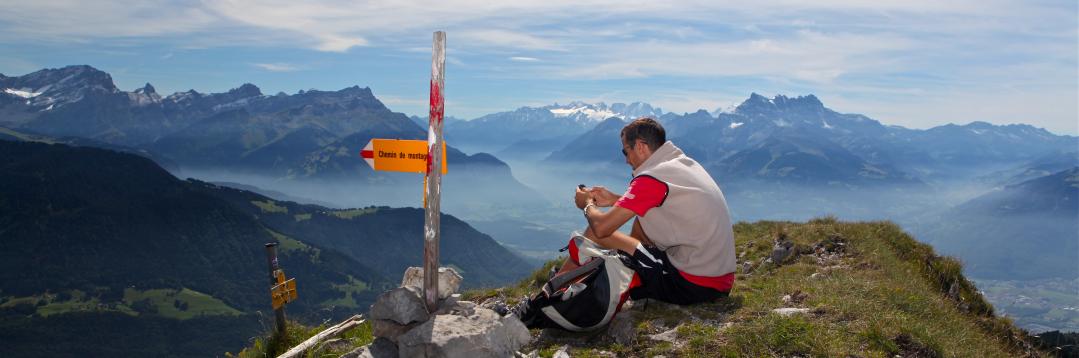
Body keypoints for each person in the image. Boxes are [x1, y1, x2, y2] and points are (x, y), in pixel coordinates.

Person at [563, 117, 737, 305]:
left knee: (592, 235)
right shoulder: (679, 163)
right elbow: (661, 205)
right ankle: (627, 262)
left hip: (693, 284)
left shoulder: (652, 178)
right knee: (640, 220)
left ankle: (554, 289)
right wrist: (615, 199)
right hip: (717, 277)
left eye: (625, 151)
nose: (626, 160)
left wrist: (587, 203)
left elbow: (601, 228)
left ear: (640, 146)